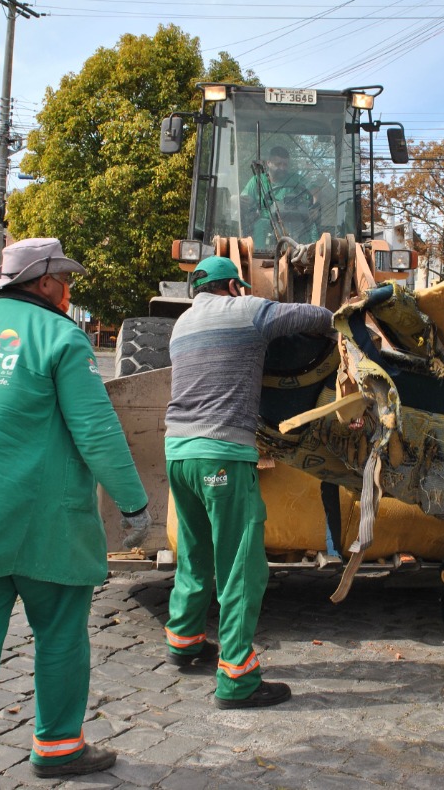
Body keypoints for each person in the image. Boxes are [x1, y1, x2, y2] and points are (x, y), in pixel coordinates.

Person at [0, 237, 150, 789]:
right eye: (65, 280)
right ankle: (58, 747)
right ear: (44, 282)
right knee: (61, 634)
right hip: (46, 520)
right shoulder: (60, 337)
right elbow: (96, 430)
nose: (69, 291)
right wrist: (134, 503)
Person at [163, 256, 333, 709]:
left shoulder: (181, 324)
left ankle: (184, 640)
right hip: (222, 455)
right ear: (234, 286)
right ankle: (237, 677)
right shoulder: (247, 310)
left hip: (178, 452)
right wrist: (346, 315)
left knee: (196, 550)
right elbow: (311, 316)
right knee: (241, 564)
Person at [241, 146, 318, 242]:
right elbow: (245, 199)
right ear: (268, 163)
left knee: (311, 227)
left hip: (294, 221)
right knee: (260, 225)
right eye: (278, 164)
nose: (282, 168)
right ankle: (258, 253)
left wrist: (315, 207)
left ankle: (311, 253)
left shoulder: (296, 179)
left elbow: (315, 190)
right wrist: (240, 200)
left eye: (285, 164)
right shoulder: (257, 181)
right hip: (268, 222)